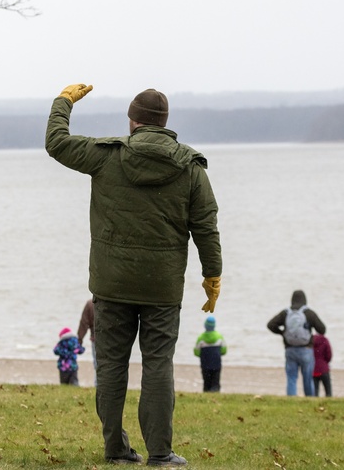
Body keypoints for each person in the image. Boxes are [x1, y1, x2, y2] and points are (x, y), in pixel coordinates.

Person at [46, 85, 223, 467]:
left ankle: (115, 448)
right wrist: (213, 277)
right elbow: (206, 228)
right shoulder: (191, 168)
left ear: (133, 120)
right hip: (162, 286)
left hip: (111, 285)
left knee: (111, 364)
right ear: (165, 122)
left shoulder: (106, 156)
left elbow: (56, 143)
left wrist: (63, 103)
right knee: (158, 363)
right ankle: (160, 452)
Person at [267, 290, 326, 397]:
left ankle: (291, 399)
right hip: (306, 350)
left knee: (291, 378)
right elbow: (322, 329)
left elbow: (270, 325)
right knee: (308, 379)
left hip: (290, 350)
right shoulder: (309, 313)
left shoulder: (285, 313)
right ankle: (309, 400)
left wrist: (282, 333)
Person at [193, 316, 227, 393]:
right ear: (214, 325)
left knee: (206, 382)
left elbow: (196, 352)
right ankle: (215, 392)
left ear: (205, 325)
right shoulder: (219, 337)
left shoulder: (201, 338)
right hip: (216, 364)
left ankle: (206, 393)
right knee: (215, 381)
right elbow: (224, 350)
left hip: (205, 364)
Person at [77, 299, 97, 374]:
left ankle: (98, 384)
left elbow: (84, 323)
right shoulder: (110, 302)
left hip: (96, 339)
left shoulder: (90, 304)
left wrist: (79, 339)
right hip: (111, 339)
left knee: (97, 364)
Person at [312, 332, 333, 397]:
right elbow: (329, 355)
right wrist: (325, 362)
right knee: (328, 390)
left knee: (315, 391)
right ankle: (329, 402)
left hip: (313, 369)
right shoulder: (325, 340)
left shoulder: (310, 341)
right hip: (324, 369)